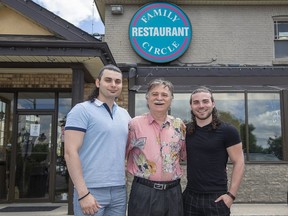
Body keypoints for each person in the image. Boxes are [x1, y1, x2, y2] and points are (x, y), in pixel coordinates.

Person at [64, 64, 131, 216]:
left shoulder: (124, 114)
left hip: (119, 190)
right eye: (108, 80)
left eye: (118, 81)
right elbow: (70, 152)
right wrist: (83, 193)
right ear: (98, 83)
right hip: (91, 189)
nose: (113, 85)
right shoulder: (81, 110)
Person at [126, 78, 186, 216]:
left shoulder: (179, 126)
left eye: (164, 95)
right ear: (147, 98)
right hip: (143, 192)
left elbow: (183, 155)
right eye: (154, 94)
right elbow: (121, 154)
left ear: (171, 99)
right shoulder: (134, 125)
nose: (159, 98)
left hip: (173, 192)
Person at [183, 86, 245, 216]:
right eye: (196, 102)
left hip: (217, 198)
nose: (201, 106)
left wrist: (231, 196)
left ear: (213, 103)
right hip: (189, 197)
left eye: (205, 101)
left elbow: (239, 162)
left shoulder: (228, 131)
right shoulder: (185, 131)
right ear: (191, 106)